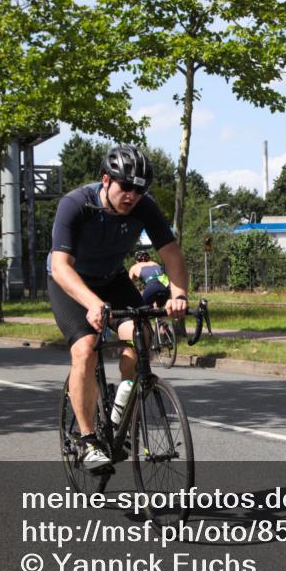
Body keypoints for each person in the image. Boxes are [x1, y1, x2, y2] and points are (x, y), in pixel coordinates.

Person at [48, 144, 189, 472]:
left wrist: (178, 294)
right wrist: (93, 303)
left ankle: (117, 423)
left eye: (140, 190)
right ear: (106, 180)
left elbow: (172, 255)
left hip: (111, 279)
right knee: (85, 350)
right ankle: (88, 440)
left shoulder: (145, 208)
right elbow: (60, 267)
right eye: (126, 187)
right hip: (70, 282)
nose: (132, 196)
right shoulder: (75, 205)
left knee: (142, 339)